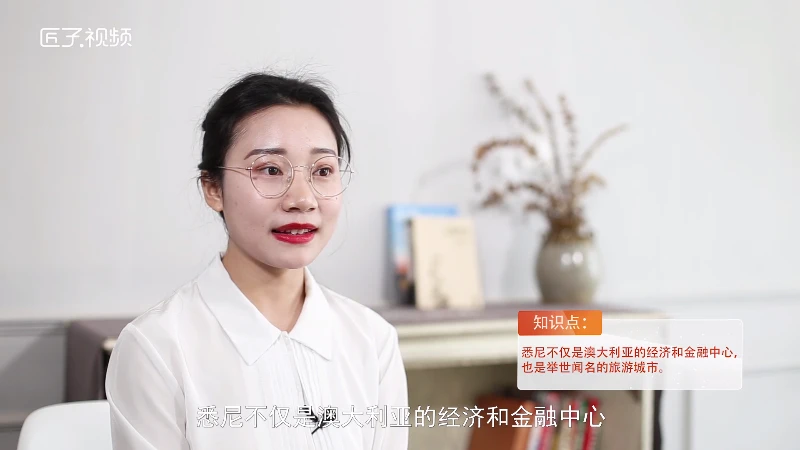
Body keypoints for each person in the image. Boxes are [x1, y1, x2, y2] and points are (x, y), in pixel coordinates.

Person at [105, 72, 409, 450]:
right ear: (213, 188)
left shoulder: (372, 339)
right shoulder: (158, 347)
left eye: (322, 171)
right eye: (270, 170)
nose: (302, 199)